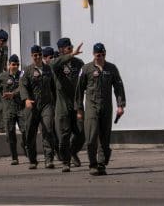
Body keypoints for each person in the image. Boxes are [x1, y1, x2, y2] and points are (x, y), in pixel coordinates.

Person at [76, 43, 126, 176]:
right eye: (98, 55)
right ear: (94, 54)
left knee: (104, 138)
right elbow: (79, 90)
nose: (101, 57)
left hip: (106, 107)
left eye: (103, 55)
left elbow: (119, 87)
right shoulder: (86, 69)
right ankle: (93, 164)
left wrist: (120, 105)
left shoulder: (111, 68)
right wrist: (79, 110)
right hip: (91, 107)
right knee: (91, 137)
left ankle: (101, 164)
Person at [19, 45, 58, 169]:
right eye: (35, 55)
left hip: (46, 105)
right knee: (30, 132)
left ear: (42, 55)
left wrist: (56, 104)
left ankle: (49, 159)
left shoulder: (48, 69)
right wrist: (26, 99)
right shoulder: (27, 70)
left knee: (47, 129)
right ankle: (32, 159)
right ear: (32, 56)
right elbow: (22, 86)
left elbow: (54, 87)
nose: (37, 57)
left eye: (39, 55)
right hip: (32, 106)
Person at [52, 38, 86, 172]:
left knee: (81, 132)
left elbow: (84, 80)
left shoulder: (79, 63)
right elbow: (53, 65)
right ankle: (66, 162)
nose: (71, 49)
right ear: (61, 50)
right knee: (64, 135)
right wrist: (70, 55)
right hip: (63, 105)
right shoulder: (57, 64)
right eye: (68, 48)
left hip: (76, 103)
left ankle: (72, 152)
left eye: (71, 47)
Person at [0, 54, 28, 165]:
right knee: (10, 133)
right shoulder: (2, 77)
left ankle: (25, 145)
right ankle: (14, 157)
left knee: (26, 131)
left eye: (17, 64)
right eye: (13, 64)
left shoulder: (22, 75)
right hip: (8, 109)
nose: (15, 66)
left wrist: (14, 94)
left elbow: (25, 87)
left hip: (21, 109)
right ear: (9, 65)